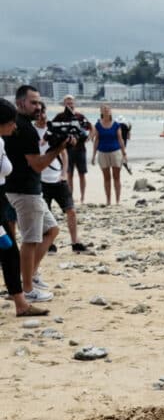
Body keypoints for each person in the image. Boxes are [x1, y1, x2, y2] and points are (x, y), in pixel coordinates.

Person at [3, 84, 70, 304]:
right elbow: (38, 165)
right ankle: (28, 287)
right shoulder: (23, 128)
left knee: (51, 230)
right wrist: (59, 149)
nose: (38, 106)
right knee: (31, 240)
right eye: (33, 102)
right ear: (21, 102)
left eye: (39, 102)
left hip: (23, 188)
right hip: (24, 190)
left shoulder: (21, 126)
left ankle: (30, 274)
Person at [0, 98, 49, 316]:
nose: (15, 125)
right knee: (8, 250)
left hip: (2, 200)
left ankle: (21, 304)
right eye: (11, 121)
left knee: (9, 251)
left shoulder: (1, 142)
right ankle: (21, 303)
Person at [34, 103, 88, 253]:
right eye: (39, 113)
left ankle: (75, 242)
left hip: (57, 178)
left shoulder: (54, 129)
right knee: (45, 214)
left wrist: (64, 173)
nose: (42, 116)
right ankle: (49, 243)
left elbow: (64, 154)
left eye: (43, 112)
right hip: (40, 180)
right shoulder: (30, 132)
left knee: (70, 210)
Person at [52, 94, 91, 203]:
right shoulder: (60, 116)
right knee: (69, 174)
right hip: (67, 150)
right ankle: (71, 197)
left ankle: (83, 197)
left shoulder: (79, 116)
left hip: (80, 149)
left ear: (74, 104)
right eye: (68, 103)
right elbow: (51, 129)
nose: (70, 105)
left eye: (71, 103)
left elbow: (91, 127)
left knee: (82, 174)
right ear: (64, 104)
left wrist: (89, 137)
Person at [91, 105, 127, 205]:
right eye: (104, 109)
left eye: (108, 109)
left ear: (111, 112)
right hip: (102, 153)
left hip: (115, 152)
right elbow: (96, 140)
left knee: (116, 177)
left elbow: (120, 139)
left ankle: (118, 200)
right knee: (106, 178)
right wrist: (93, 155)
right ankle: (108, 200)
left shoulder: (116, 125)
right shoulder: (98, 125)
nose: (106, 111)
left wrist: (124, 153)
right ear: (101, 112)